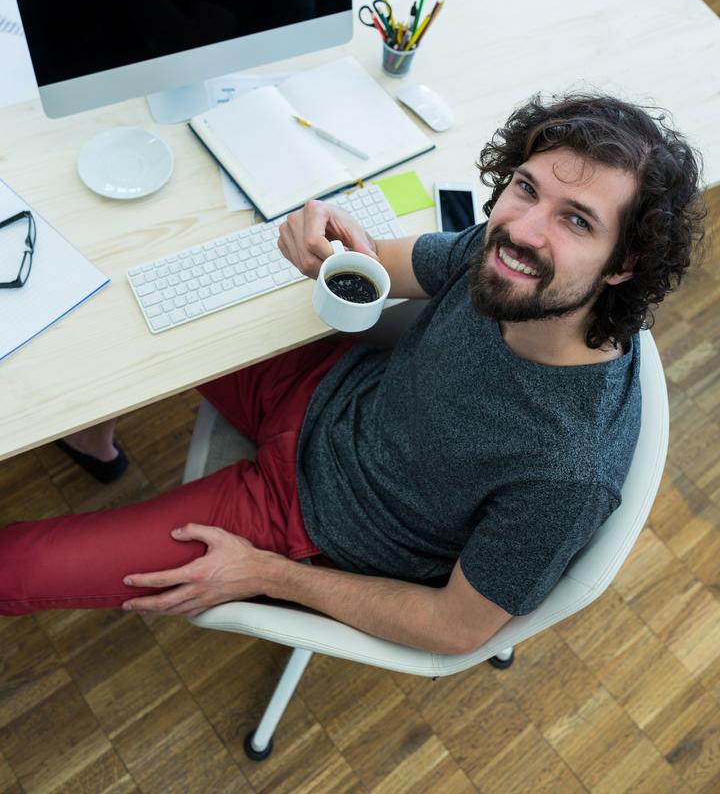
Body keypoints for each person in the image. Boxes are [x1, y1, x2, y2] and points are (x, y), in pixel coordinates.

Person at [0, 93, 705, 655]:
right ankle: (91, 435)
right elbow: (374, 266)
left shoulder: (567, 472)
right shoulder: (500, 251)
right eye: (526, 188)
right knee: (128, 306)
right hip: (321, 389)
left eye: (577, 220)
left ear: (623, 265)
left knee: (19, 569)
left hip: (303, 522)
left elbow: (453, 630)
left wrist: (263, 575)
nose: (523, 229)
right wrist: (319, 237)